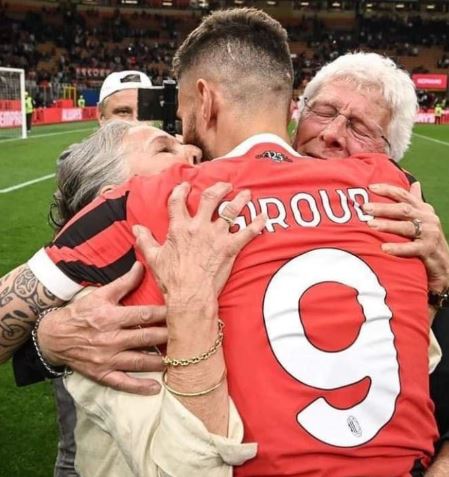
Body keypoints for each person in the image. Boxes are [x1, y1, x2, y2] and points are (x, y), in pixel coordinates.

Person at [3, 8, 440, 476]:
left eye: (181, 115)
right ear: (290, 101)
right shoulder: (395, 193)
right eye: (327, 114)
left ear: (203, 100)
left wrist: (43, 335)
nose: (184, 138)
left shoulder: (154, 200)